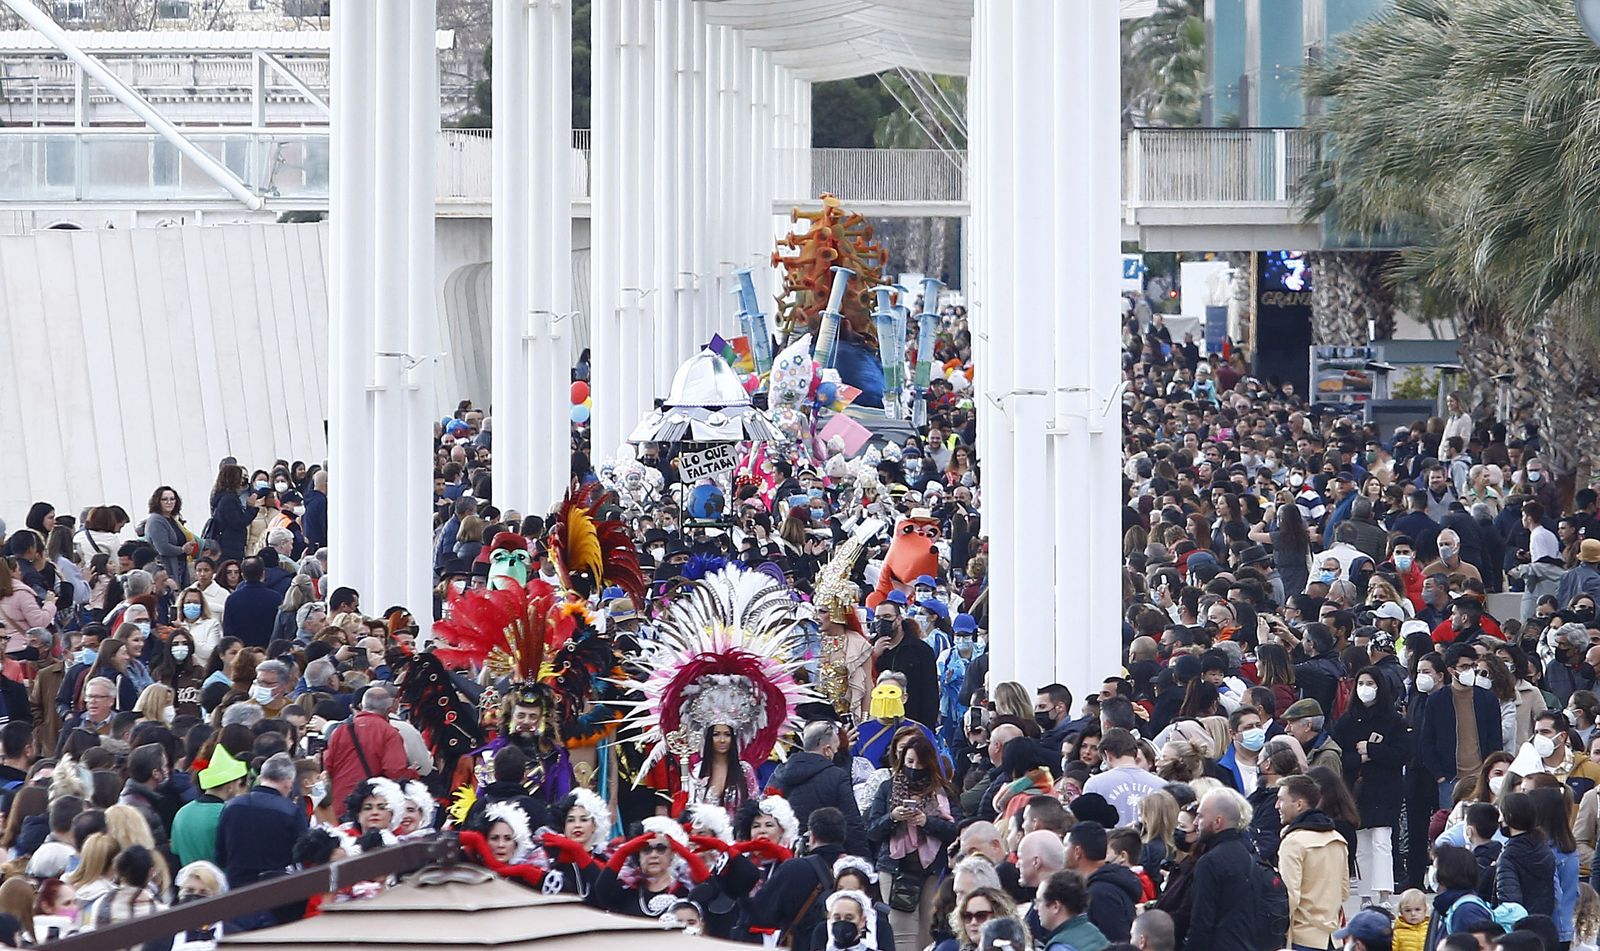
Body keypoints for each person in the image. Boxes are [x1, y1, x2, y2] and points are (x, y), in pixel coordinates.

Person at [866, 729, 957, 951]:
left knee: (928, 930)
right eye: (909, 761)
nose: (914, 768)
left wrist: (927, 822)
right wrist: (893, 818)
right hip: (895, 867)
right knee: (902, 931)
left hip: (931, 869)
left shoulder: (942, 792)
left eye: (920, 763)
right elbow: (872, 829)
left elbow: (955, 830)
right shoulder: (888, 788)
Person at [1333, 665, 1411, 905]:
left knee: (1382, 839)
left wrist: (1372, 750)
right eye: (1361, 684)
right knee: (1362, 843)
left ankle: (1385, 893)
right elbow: (1338, 756)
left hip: (1386, 787)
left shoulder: (1393, 721)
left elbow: (1402, 754)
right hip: (1358, 789)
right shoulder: (1346, 722)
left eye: (1371, 684)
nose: (1365, 689)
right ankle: (1366, 893)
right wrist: (1359, 758)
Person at [1420, 643, 1504, 808]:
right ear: (1451, 670)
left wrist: (1490, 771)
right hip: (1450, 779)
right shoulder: (1437, 700)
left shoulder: (1487, 699)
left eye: (1473, 666)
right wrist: (1440, 775)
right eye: (1464, 666)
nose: (1470, 671)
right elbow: (1427, 741)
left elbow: (1495, 739)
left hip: (1482, 776)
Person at [769, 720, 867, 854]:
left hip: (783, 852)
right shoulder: (836, 776)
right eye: (836, 749)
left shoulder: (778, 774)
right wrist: (862, 860)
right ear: (827, 750)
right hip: (824, 854)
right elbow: (851, 822)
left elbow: (766, 810)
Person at [214, 751, 309, 886]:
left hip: (237, 888)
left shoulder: (231, 806)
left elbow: (221, 856)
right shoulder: (291, 811)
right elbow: (303, 855)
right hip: (276, 890)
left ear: (260, 778)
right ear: (288, 783)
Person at [1277, 774, 1349, 951]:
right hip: (1333, 938)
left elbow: (1289, 898)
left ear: (1299, 804)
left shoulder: (1293, 843)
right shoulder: (1338, 839)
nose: (1277, 805)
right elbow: (1344, 891)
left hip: (1303, 938)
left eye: (1281, 800)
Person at [1182, 787, 1259, 951]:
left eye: (1201, 816)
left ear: (1218, 822)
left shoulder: (1210, 862)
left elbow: (1201, 922)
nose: (1195, 822)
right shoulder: (1249, 854)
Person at [323, 683, 418, 808]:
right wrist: (412, 773)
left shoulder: (341, 730)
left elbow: (328, 765)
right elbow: (394, 772)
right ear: (390, 708)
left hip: (340, 801)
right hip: (369, 804)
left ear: (362, 706)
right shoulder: (389, 733)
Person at [1065, 821, 1140, 943]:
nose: (1063, 852)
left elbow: (1115, 942)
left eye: (1066, 846)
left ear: (1077, 852)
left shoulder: (1100, 893)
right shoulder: (1102, 886)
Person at [1081, 728, 1165, 827]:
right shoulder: (1163, 785)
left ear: (1108, 755)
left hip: (1110, 841)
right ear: (1135, 753)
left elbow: (1089, 827)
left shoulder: (1094, 784)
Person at [1495, 791, 1555, 915]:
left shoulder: (1509, 855)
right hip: (1543, 921)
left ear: (1509, 816)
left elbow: (1510, 902)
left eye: (1501, 814)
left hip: (1519, 926)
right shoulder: (1544, 848)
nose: (1499, 819)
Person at [1035, 869, 1107, 951]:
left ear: (1055, 906)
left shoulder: (1059, 947)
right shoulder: (1095, 933)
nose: (1036, 908)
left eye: (1039, 902)